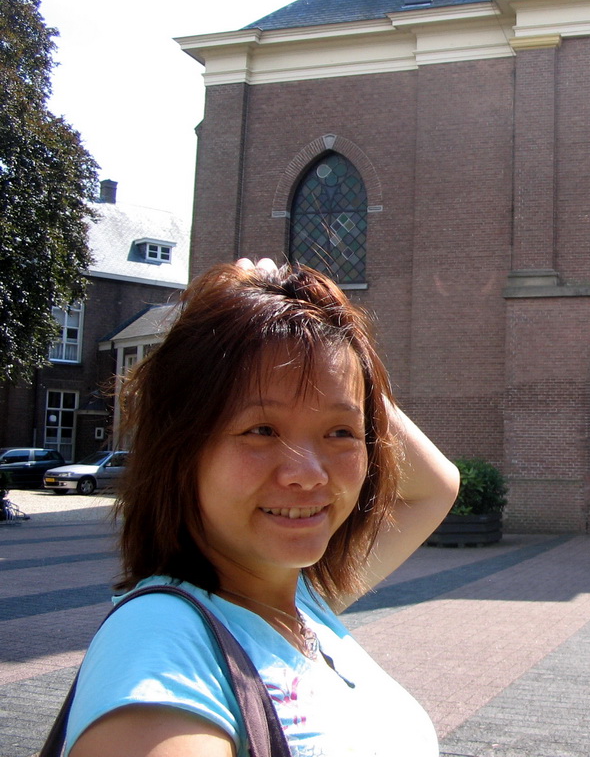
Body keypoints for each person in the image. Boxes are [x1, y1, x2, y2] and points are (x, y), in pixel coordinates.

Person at [66, 258, 461, 757]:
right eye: (261, 430)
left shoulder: (300, 601)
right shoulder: (162, 649)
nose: (309, 472)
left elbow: (436, 486)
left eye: (340, 432)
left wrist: (323, 329)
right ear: (181, 448)